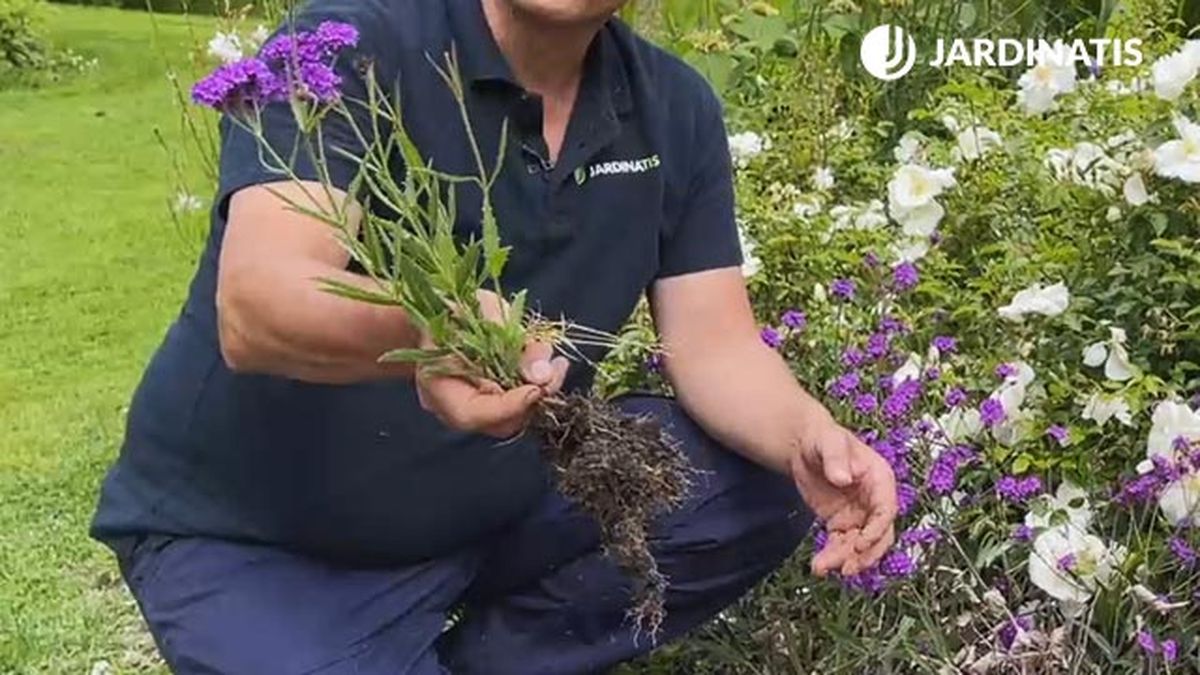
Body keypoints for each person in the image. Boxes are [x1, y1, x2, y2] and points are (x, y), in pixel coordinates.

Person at [90, 0, 898, 672]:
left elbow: (715, 346)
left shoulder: (670, 107)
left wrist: (811, 436)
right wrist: (430, 329)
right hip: (263, 540)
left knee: (764, 476)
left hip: (492, 508)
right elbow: (259, 305)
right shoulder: (347, 50)